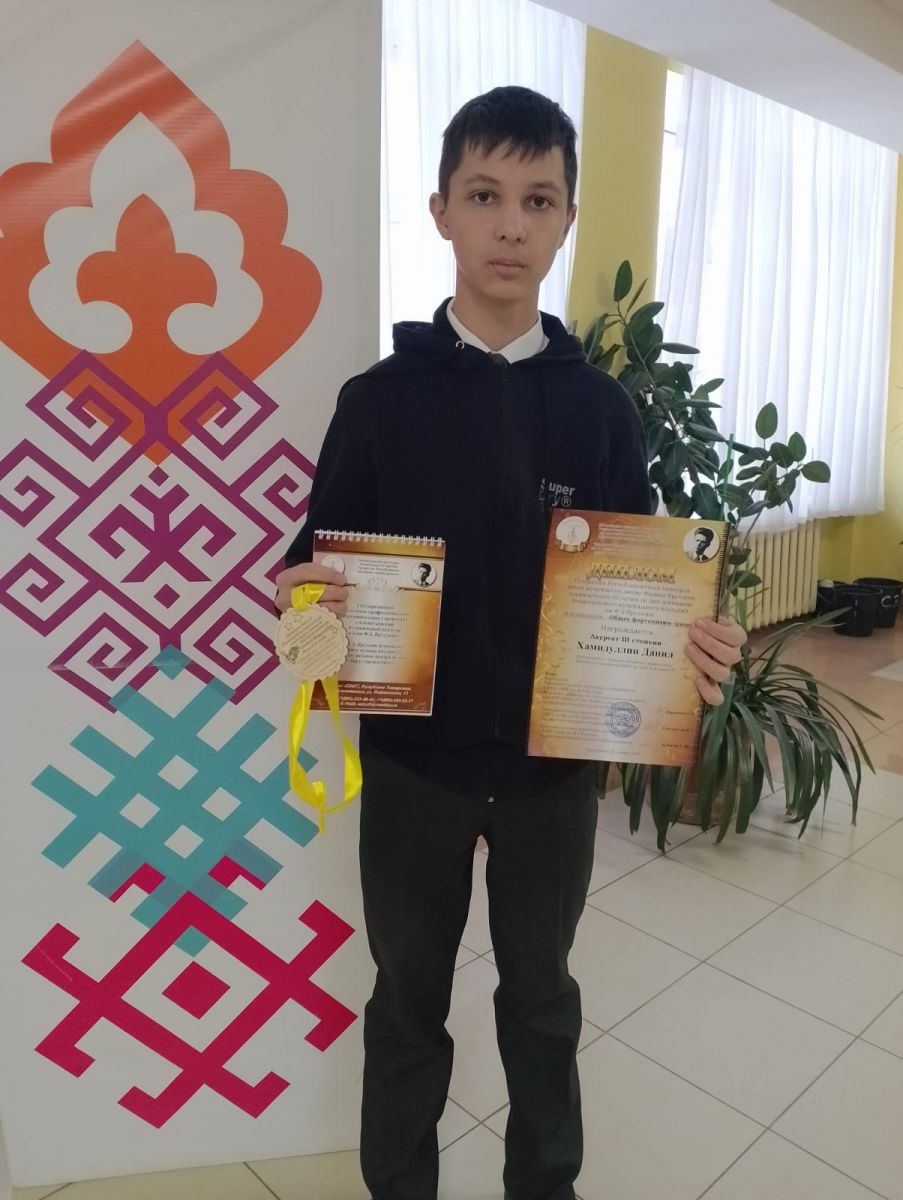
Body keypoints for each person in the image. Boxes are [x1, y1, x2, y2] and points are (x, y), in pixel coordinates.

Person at [275, 86, 745, 1200]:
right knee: (407, 1001)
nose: (510, 224)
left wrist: (690, 645)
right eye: (484, 195)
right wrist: (308, 606)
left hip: (550, 775)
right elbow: (312, 576)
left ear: (567, 220)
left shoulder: (602, 414)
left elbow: (638, 584)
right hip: (413, 770)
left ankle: (546, 1185)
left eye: (538, 200)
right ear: (441, 209)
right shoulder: (377, 402)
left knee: (541, 1000)